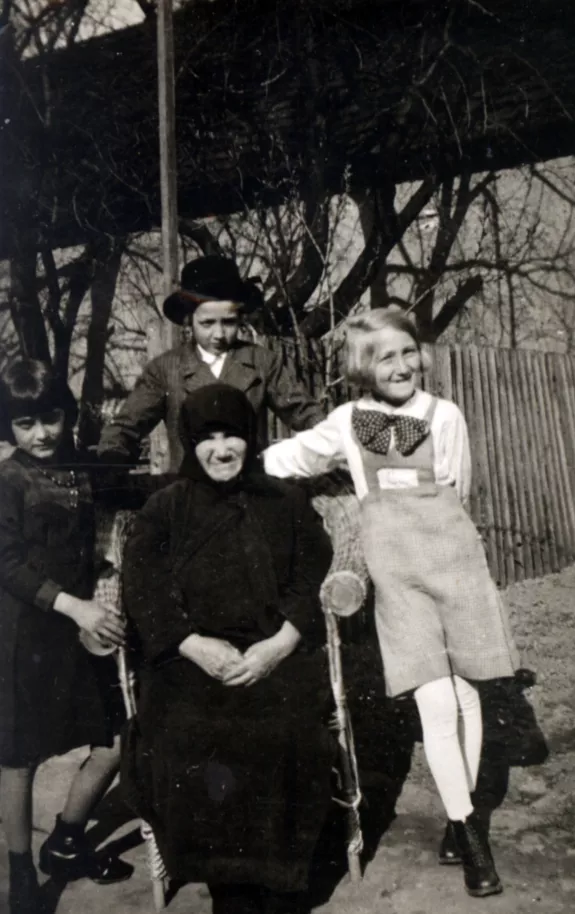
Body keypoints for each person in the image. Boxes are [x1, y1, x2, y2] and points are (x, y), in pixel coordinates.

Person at [263, 307, 521, 898]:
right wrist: (234, 465)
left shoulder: (445, 415)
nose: (401, 365)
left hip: (455, 562)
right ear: (362, 366)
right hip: (396, 575)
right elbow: (290, 457)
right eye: (386, 357)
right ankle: (472, 840)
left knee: (467, 692)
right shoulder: (347, 422)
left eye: (408, 352)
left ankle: (459, 817)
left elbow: (459, 489)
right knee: (435, 699)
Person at [121, 383, 336, 914]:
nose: (221, 450)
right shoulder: (165, 508)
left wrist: (279, 645)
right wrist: (192, 644)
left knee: (286, 731)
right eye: (207, 438)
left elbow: (312, 576)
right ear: (189, 443)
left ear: (251, 438)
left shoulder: (286, 501)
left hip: (276, 654)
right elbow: (143, 587)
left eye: (232, 436)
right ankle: (230, 887)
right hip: (189, 661)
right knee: (197, 734)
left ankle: (281, 880)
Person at [0, 360, 133, 914]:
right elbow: (7, 563)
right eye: (25, 423)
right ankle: (21, 874)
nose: (41, 434)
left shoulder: (78, 469)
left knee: (115, 741)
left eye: (51, 418)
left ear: (67, 414)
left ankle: (67, 840)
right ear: (8, 427)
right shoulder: (8, 480)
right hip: (24, 635)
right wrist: (75, 605)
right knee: (20, 757)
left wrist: (100, 585)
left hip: (79, 630)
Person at [97, 254, 325, 471]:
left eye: (229, 322)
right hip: (189, 491)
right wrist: (112, 458)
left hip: (250, 489)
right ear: (189, 321)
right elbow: (125, 427)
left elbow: (307, 414)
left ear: (241, 318)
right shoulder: (165, 370)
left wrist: (333, 443)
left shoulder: (262, 362)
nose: (219, 334)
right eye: (207, 323)